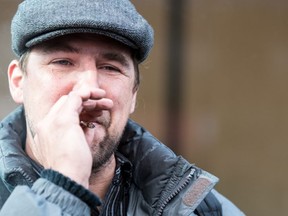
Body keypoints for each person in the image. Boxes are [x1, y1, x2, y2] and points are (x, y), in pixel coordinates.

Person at [0, 0, 245, 215]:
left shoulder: (204, 207)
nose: (89, 88)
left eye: (110, 67)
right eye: (62, 62)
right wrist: (63, 185)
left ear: (133, 95)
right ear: (18, 82)